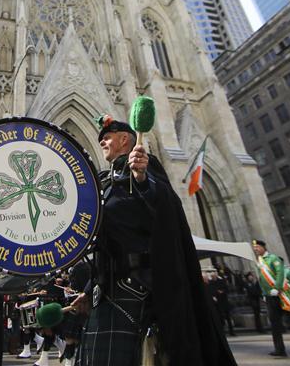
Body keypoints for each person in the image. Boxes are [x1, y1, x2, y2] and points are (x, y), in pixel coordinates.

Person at [73, 115, 235, 365]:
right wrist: (89, 290)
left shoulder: (145, 170)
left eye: (106, 138)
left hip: (139, 289)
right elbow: (109, 246)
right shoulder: (105, 182)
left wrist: (142, 179)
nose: (102, 143)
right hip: (107, 290)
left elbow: (165, 207)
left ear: (125, 139)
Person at [252, 240, 290, 358]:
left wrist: (278, 288)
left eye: (258, 247)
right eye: (254, 248)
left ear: (264, 247)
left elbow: (281, 275)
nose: (256, 249)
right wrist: (265, 293)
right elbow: (262, 280)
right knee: (275, 324)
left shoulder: (273, 259)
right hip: (271, 296)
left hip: (285, 295)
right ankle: (279, 349)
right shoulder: (260, 262)